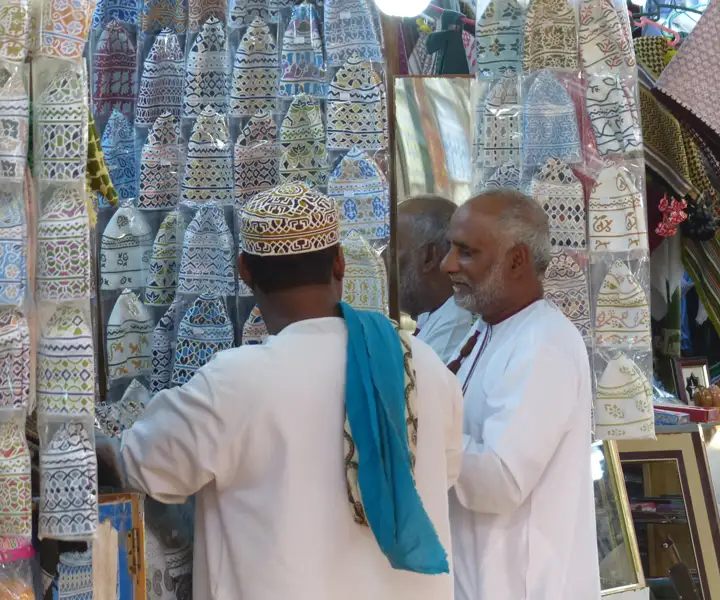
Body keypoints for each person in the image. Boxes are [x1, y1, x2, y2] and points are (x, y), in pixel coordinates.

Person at [97, 183, 463, 600]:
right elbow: (446, 471)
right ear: (340, 262)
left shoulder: (234, 385)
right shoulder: (420, 365)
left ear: (244, 271)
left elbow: (139, 464)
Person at [442, 189, 599, 600]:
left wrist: (412, 433)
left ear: (516, 261)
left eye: (466, 252)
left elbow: (500, 479)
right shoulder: (487, 331)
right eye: (449, 249)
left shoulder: (543, 344)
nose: (448, 265)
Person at [398, 195, 474, 363]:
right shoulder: (432, 317)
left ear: (429, 256)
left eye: (392, 248)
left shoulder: (453, 327)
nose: (382, 259)